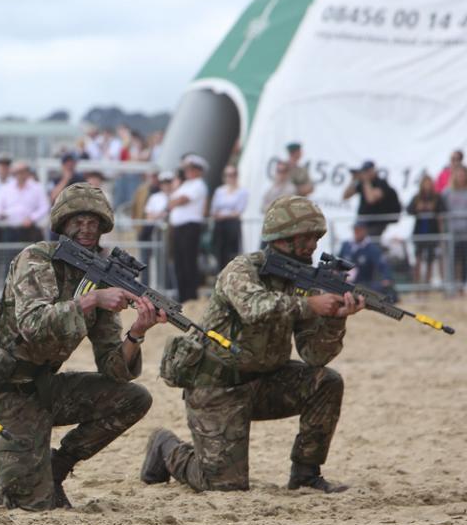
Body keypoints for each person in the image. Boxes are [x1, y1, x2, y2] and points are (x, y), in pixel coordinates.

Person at [0, 184, 167, 511]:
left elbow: (113, 368)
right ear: (62, 224)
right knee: (24, 504)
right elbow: (33, 325)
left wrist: (138, 331)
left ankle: (55, 469)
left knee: (134, 398)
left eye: (93, 223)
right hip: (2, 393)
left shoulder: (101, 277)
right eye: (77, 222)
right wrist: (92, 299)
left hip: (44, 387)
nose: (85, 230)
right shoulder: (37, 258)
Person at [143, 195, 366, 494]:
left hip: (264, 382)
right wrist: (311, 305)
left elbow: (315, 355)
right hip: (217, 386)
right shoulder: (242, 269)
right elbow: (254, 307)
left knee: (326, 382)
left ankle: (305, 474)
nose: (313, 244)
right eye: (307, 237)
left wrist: (336, 319)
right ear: (283, 238)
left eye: (316, 237)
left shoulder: (302, 284)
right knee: (222, 485)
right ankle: (164, 447)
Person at [168, 154, 209, 302]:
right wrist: (174, 200)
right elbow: (172, 201)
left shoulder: (199, 184)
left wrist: (174, 200)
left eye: (191, 169)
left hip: (190, 226)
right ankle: (182, 294)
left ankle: (191, 295)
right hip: (180, 227)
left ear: (198, 170)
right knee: (179, 261)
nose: (187, 171)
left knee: (188, 261)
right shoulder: (186, 185)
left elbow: (180, 200)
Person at [341, 161, 401, 238]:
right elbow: (345, 196)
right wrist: (353, 180)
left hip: (377, 223)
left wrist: (366, 181)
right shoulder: (361, 184)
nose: (365, 173)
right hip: (363, 221)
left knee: (370, 241)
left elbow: (371, 199)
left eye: (367, 171)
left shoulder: (381, 183)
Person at [406, 174, 448, 287]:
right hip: (419, 232)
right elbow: (408, 210)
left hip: (433, 233)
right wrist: (417, 208)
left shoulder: (437, 197)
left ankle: (426, 285)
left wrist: (433, 209)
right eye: (425, 183)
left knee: (430, 260)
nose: (427, 186)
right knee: (418, 260)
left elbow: (443, 210)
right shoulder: (417, 197)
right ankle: (417, 286)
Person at [338, 222, 395, 299]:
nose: (357, 232)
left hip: (363, 283)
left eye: (359, 230)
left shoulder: (372, 249)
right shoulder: (346, 245)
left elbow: (383, 265)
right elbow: (338, 261)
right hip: (344, 281)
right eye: (355, 230)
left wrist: (387, 278)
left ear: (365, 231)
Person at [0, 162, 49, 245]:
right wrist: (2, 214)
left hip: (31, 229)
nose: (19, 174)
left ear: (27, 172)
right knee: (9, 256)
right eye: (17, 172)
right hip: (11, 229)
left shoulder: (37, 187)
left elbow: (44, 206)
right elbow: (0, 207)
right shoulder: (6, 188)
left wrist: (31, 218)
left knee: (31, 256)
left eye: (22, 171)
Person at [210, 165, 249, 271]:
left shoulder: (242, 191)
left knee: (232, 252)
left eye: (232, 175)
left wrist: (224, 215)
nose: (229, 177)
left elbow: (239, 210)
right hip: (220, 225)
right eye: (227, 175)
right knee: (219, 251)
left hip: (232, 224)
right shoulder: (220, 191)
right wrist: (221, 215)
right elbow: (214, 208)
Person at [444, 165, 467, 289]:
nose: (461, 177)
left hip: (466, 233)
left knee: (464, 260)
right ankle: (454, 286)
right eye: (459, 174)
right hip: (452, 233)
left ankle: (463, 285)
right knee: (453, 260)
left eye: (463, 174)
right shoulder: (447, 192)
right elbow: (440, 207)